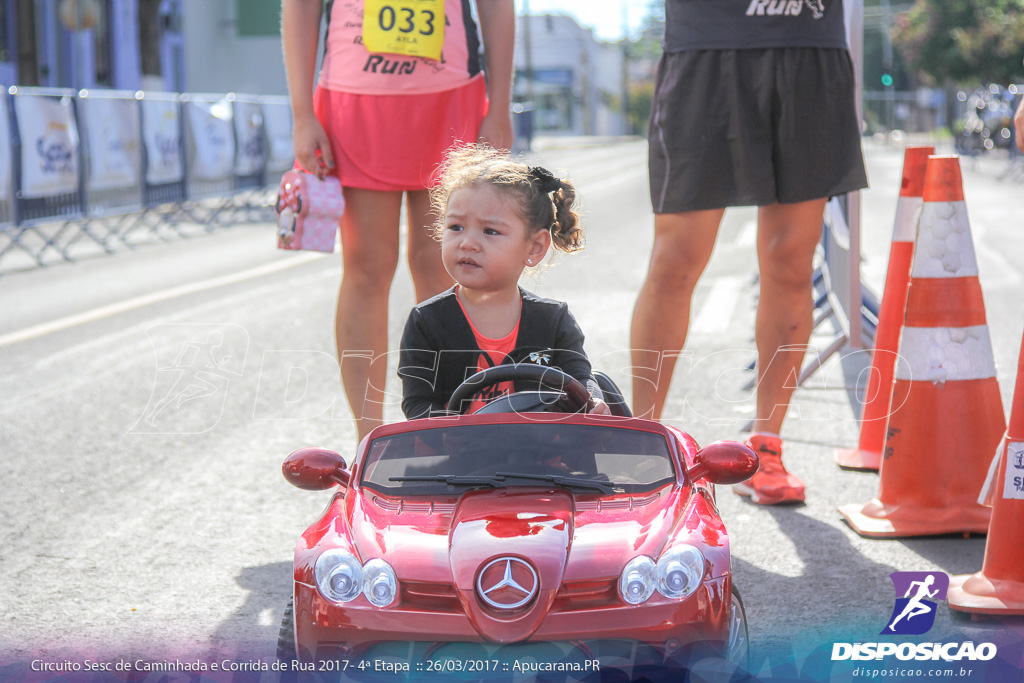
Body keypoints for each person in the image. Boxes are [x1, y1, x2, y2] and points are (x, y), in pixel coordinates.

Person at [630, 0, 868, 505]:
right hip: (707, 45)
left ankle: (766, 447)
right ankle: (640, 446)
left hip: (809, 45)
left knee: (790, 262)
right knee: (676, 260)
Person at [281, 0, 514, 442]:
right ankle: (369, 436)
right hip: (354, 100)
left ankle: (450, 424)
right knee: (367, 268)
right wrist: (301, 113)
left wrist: (499, 106)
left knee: (447, 266)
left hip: (451, 96)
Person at [398, 145, 610, 419]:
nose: (468, 243)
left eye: (490, 231)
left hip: (542, 454)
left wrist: (593, 400)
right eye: (456, 227)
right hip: (458, 456)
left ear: (534, 247)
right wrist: (454, 430)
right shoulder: (426, 321)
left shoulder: (553, 319)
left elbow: (580, 380)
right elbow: (417, 403)